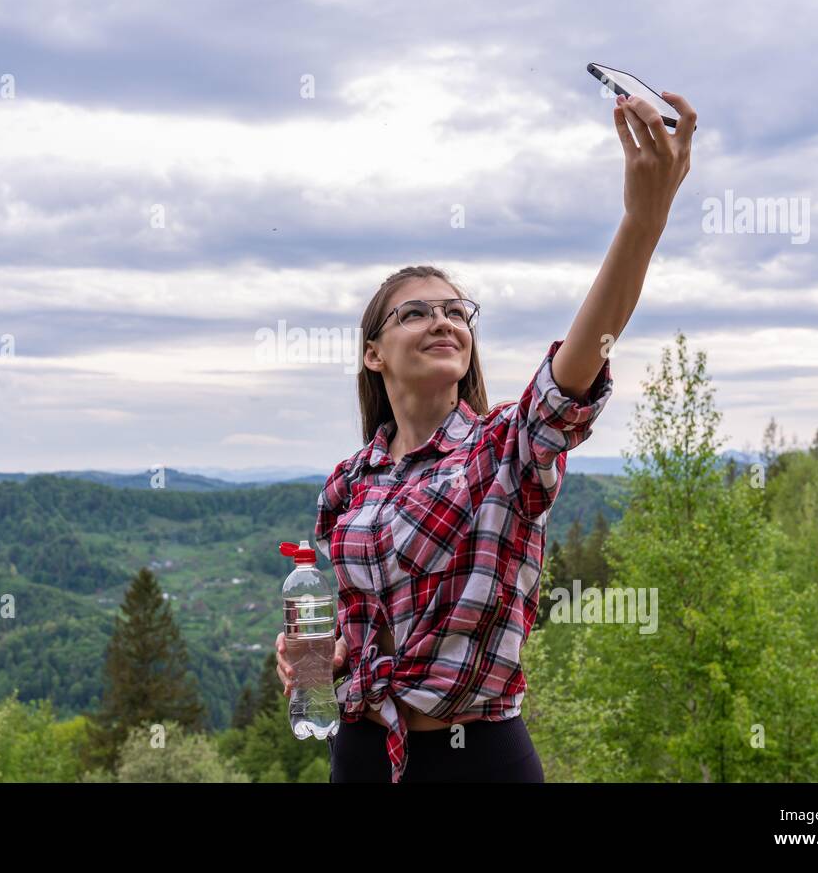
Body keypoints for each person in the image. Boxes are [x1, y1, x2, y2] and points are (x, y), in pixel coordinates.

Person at [276, 90, 697, 782]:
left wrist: (641, 221)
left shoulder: (503, 451)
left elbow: (571, 377)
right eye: (416, 312)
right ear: (373, 354)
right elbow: (354, 624)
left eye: (456, 311)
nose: (444, 320)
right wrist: (312, 656)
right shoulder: (348, 481)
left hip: (480, 759)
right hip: (361, 751)